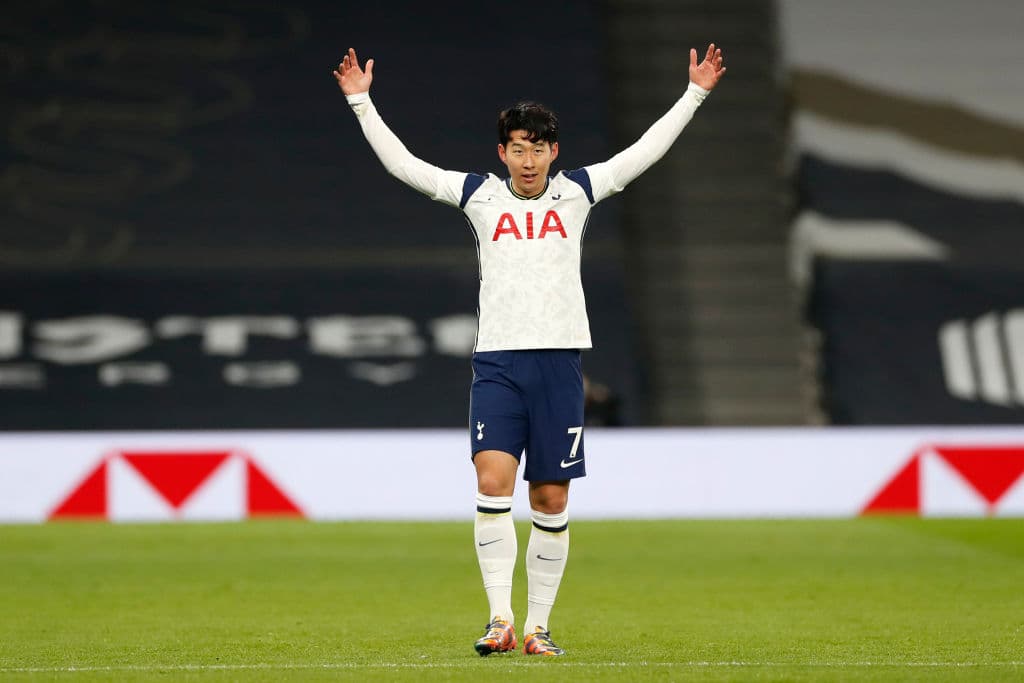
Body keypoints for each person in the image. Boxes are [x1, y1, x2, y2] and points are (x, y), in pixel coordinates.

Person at [333, 44, 725, 657]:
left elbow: (642, 154)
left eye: (537, 148)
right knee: (492, 483)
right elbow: (403, 165)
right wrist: (360, 101)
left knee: (550, 498)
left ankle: (538, 627)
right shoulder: (478, 196)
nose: (528, 159)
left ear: (553, 152)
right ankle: (499, 619)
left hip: (559, 364)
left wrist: (694, 93)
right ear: (502, 152)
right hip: (499, 363)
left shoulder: (577, 193)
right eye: (517, 148)